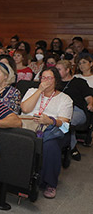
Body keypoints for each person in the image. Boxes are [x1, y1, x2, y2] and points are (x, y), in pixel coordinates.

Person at [21, 67, 73, 199]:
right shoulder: (32, 91)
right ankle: (18, 177)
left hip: (52, 129)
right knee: (16, 138)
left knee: (49, 145)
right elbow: (25, 109)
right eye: (43, 77)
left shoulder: (65, 99)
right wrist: (39, 91)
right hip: (29, 126)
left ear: (56, 80)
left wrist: (50, 121)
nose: (46, 81)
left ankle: (50, 183)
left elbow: (65, 125)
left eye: (50, 78)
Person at [56, 60, 92, 161]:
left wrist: (91, 103)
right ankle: (71, 147)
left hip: (77, 110)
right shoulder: (55, 83)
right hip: (58, 110)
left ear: (67, 70)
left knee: (64, 122)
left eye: (59, 69)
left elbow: (89, 97)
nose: (56, 71)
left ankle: (67, 147)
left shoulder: (79, 82)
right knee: (59, 122)